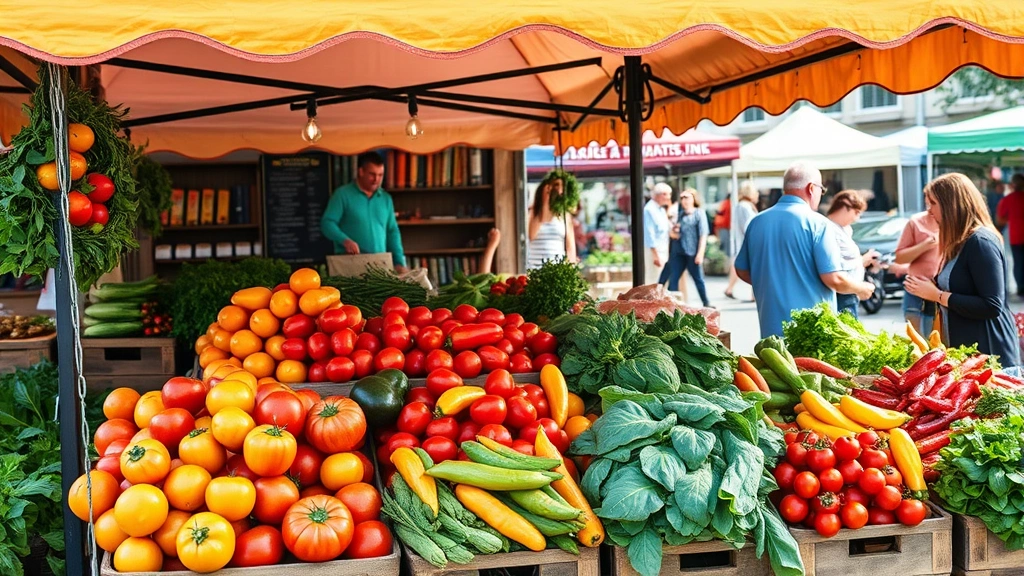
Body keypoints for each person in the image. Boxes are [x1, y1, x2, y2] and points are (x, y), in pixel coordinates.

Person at [735, 161, 876, 338]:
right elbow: (834, 278)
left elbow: (741, 269)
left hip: (771, 338)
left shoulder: (757, 222)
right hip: (812, 335)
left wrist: (773, 285)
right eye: (821, 190)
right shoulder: (818, 223)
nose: (821, 195)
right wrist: (861, 288)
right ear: (811, 188)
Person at [904, 173, 1020, 365]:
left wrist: (937, 295)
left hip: (990, 354)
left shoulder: (980, 242)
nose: (929, 210)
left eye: (933, 203)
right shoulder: (959, 242)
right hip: (968, 355)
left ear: (952, 204)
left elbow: (992, 305)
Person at [320, 151, 408, 272]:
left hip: (380, 264)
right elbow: (327, 223)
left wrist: (399, 262)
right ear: (361, 172)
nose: (376, 179)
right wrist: (345, 240)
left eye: (380, 175)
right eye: (372, 174)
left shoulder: (386, 199)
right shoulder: (342, 195)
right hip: (350, 263)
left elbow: (392, 232)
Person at [826, 190, 879, 318]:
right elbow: (836, 265)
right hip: (842, 293)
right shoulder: (828, 229)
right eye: (856, 212)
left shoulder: (844, 229)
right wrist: (862, 260)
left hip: (850, 292)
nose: (857, 218)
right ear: (845, 206)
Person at [895, 207, 941, 336]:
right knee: (916, 342)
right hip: (915, 288)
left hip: (940, 291)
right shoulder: (916, 222)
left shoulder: (953, 223)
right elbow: (899, 258)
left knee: (938, 344)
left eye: (934, 202)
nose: (930, 207)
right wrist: (924, 246)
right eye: (928, 200)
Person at [667, 188, 711, 307]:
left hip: (693, 252)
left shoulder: (699, 213)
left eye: (686, 198)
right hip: (679, 252)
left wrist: (700, 254)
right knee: (674, 278)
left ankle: (706, 302)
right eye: (682, 198)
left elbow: (703, 234)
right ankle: (672, 305)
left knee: (698, 279)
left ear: (693, 199)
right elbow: (674, 233)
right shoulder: (680, 214)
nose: (684, 200)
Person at [527, 173, 576, 269]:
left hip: (557, 268)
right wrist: (545, 204)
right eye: (556, 185)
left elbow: (570, 247)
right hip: (535, 268)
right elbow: (531, 235)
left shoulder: (564, 215)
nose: (559, 190)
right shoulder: (533, 212)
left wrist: (571, 268)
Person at [725, 181, 759, 299]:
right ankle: (753, 295)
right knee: (753, 267)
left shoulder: (741, 205)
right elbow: (750, 225)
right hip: (746, 242)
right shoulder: (745, 206)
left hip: (741, 241)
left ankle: (751, 294)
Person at [996, 173, 1024, 296]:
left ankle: (1021, 288)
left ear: (1012, 185)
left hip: (1016, 235)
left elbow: (1000, 219)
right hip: (1016, 235)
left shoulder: (1007, 200)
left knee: (1017, 262)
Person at [643, 183, 672, 284]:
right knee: (653, 280)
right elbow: (649, 234)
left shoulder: (661, 210)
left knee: (662, 281)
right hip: (655, 251)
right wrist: (655, 255)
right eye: (668, 194)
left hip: (663, 250)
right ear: (661, 195)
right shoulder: (649, 210)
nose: (669, 198)